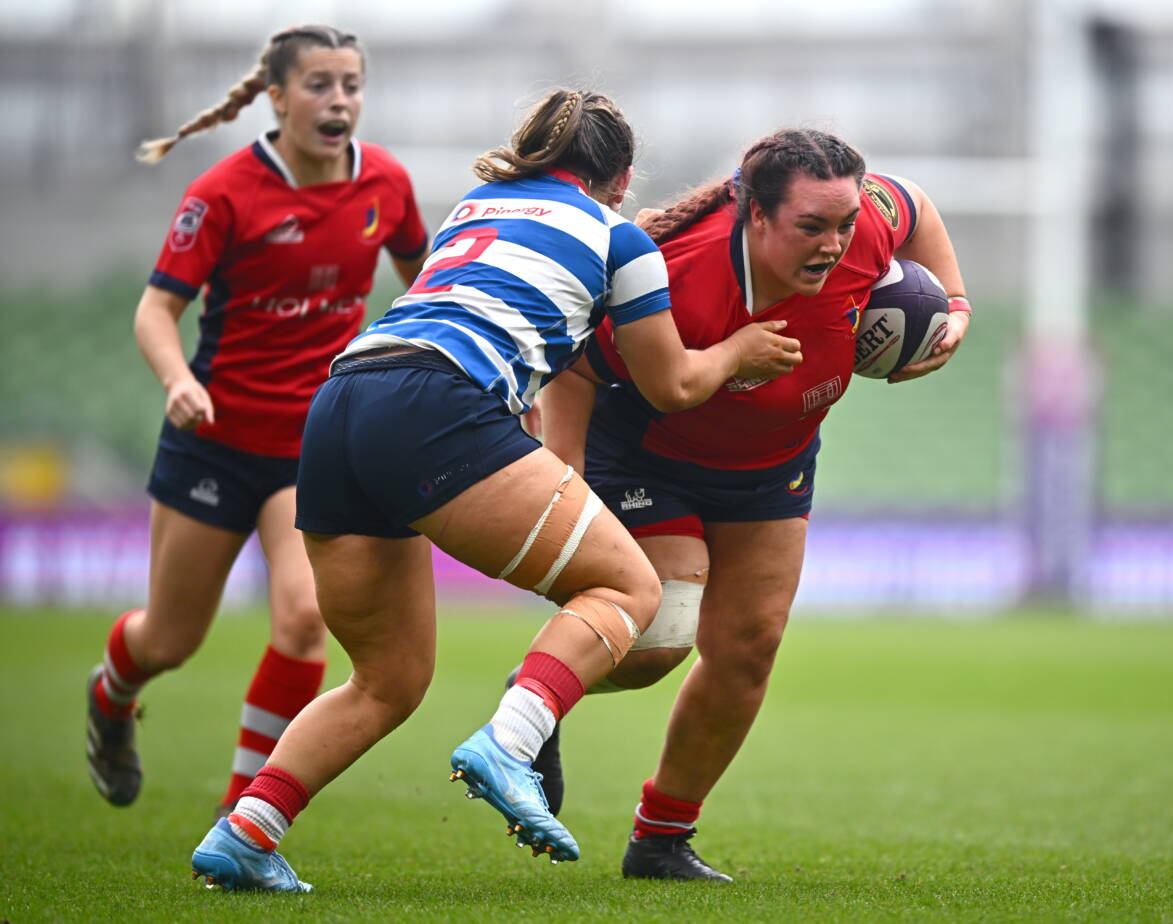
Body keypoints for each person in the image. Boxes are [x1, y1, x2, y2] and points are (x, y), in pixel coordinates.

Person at [185, 88, 803, 892]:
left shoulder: (479, 203)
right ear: (619, 178)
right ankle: (511, 742)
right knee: (627, 586)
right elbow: (674, 383)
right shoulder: (618, 237)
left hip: (341, 402)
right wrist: (740, 351)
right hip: (436, 404)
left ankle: (248, 830)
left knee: (387, 677)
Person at [534, 128, 972, 880]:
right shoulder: (678, 273)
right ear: (755, 215)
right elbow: (576, 370)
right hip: (649, 457)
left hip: (773, 467)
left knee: (748, 650)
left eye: (843, 225)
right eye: (812, 227)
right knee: (659, 646)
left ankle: (662, 840)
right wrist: (562, 483)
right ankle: (538, 697)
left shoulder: (865, 224)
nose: (836, 244)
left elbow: (918, 207)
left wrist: (955, 305)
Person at [85, 25, 429, 817]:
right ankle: (112, 694)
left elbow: (426, 282)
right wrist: (176, 381)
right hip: (214, 442)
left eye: (350, 84)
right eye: (318, 84)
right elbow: (155, 311)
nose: (338, 99)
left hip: (312, 445)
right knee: (168, 641)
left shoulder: (386, 184)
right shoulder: (225, 192)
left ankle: (242, 820)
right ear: (275, 98)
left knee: (307, 619)